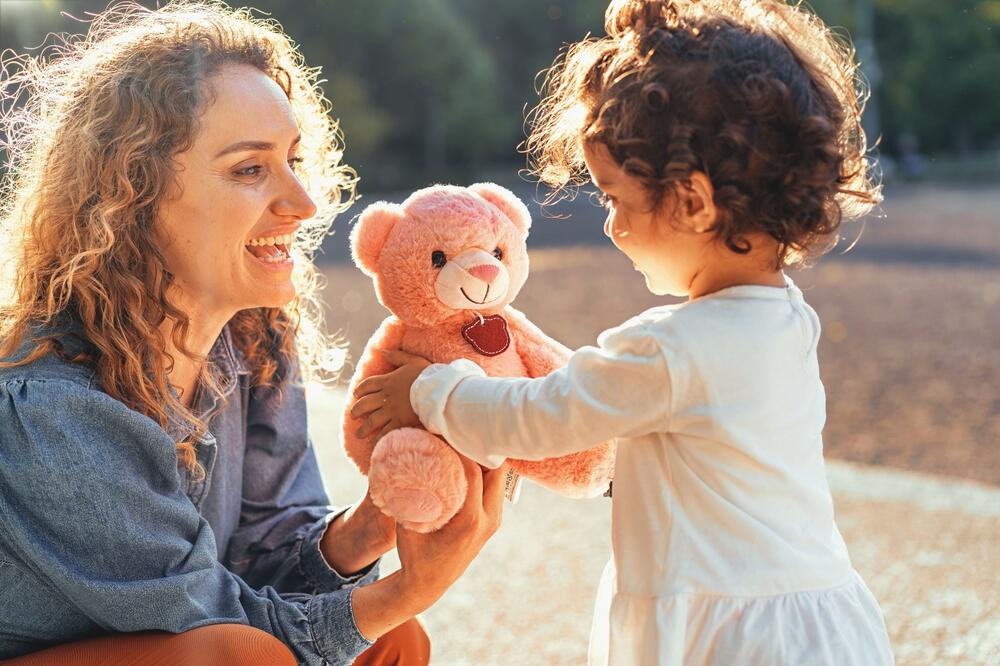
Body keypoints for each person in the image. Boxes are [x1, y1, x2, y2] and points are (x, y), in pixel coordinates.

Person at [351, 1, 895, 663]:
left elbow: (541, 416)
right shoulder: (787, 319)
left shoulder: (668, 350)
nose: (610, 225)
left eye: (616, 199)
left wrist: (432, 390)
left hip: (719, 633)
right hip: (816, 619)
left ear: (692, 201)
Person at [0, 2, 504, 664]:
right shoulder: (53, 406)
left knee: (391, 644)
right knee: (253, 650)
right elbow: (209, 621)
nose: (304, 202)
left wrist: (368, 530)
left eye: (295, 159)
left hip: (203, 638)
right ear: (133, 195)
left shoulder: (252, 343)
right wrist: (410, 589)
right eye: (250, 168)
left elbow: (266, 560)